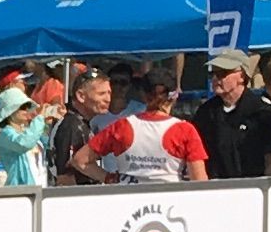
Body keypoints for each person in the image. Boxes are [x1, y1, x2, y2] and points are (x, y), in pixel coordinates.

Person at [68, 66, 208, 186]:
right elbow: (200, 182)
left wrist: (109, 178)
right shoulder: (185, 131)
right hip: (169, 204)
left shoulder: (121, 126)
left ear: (143, 94)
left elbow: (80, 160)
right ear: (175, 96)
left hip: (129, 203)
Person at [202, 58, 271, 182]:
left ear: (241, 76)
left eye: (222, 74)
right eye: (213, 74)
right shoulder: (206, 112)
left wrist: (269, 189)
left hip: (254, 188)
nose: (216, 79)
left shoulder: (261, 111)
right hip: (216, 189)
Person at [0, 71, 47, 189]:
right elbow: (22, 142)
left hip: (29, 186)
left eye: (28, 106)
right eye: (23, 82)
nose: (26, 86)